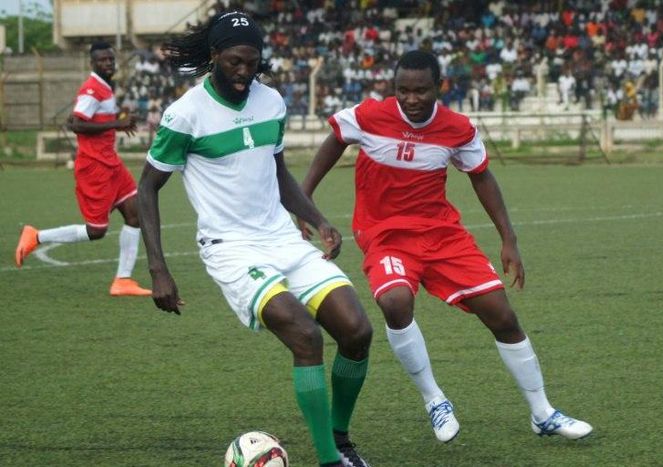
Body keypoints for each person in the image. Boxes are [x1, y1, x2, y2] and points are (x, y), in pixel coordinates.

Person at [301, 50, 593, 444]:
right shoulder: (369, 116)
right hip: (385, 235)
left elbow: (482, 177)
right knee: (395, 302)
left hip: (442, 234)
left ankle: (542, 413)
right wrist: (303, 199)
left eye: (421, 90)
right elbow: (335, 140)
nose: (411, 99)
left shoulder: (458, 128)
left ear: (439, 87)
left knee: (502, 314)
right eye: (402, 90)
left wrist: (509, 239)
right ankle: (435, 399)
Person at [137, 12, 372, 467]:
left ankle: (340, 439)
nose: (244, 72)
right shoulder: (186, 114)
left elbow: (277, 171)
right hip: (231, 248)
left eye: (253, 62)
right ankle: (329, 461)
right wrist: (158, 269)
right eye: (234, 62)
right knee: (306, 336)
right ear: (214, 57)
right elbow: (147, 187)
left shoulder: (272, 102)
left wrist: (317, 218)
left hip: (283, 238)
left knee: (357, 331)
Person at [15, 41, 151, 297]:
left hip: (111, 163)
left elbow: (78, 118)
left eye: (111, 59)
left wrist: (115, 121)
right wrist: (117, 123)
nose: (108, 63)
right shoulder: (92, 89)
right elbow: (77, 125)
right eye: (102, 60)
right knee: (96, 231)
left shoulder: (104, 87)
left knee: (135, 214)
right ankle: (36, 236)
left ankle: (123, 280)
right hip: (94, 167)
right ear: (93, 63)